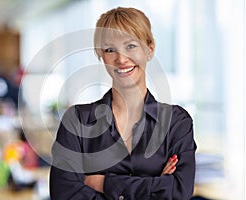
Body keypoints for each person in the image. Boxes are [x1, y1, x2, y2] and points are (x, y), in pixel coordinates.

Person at [50, 7, 196, 200]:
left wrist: (103, 183)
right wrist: (155, 186)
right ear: (101, 55)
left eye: (131, 46)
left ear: (149, 48)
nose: (121, 59)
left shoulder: (176, 122)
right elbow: (64, 194)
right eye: (110, 50)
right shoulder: (77, 121)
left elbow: (179, 192)